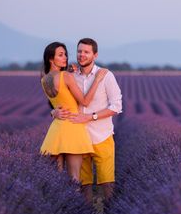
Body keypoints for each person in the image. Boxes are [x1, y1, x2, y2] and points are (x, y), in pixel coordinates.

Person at [53, 38, 122, 204]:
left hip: (102, 136)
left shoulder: (105, 76)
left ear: (95, 55)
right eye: (79, 51)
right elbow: (60, 101)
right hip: (79, 137)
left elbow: (116, 106)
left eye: (86, 52)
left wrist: (91, 117)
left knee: (107, 183)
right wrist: (53, 111)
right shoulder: (70, 76)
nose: (81, 55)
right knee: (84, 185)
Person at [40, 41, 108, 183]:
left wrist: (53, 112)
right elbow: (84, 101)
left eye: (65, 54)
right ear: (51, 59)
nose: (65, 57)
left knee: (54, 181)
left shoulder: (44, 79)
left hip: (56, 130)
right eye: (60, 55)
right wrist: (97, 79)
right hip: (73, 127)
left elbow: (58, 102)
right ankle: (74, 205)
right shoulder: (66, 76)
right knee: (74, 180)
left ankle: (57, 206)